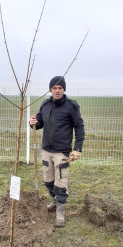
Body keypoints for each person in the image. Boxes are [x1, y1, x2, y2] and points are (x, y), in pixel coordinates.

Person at [30, 76, 85, 227]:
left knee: (60, 182)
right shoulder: (45, 105)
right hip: (47, 150)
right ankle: (54, 201)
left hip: (62, 152)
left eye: (60, 88)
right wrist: (33, 122)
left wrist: (77, 148)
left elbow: (79, 127)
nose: (57, 91)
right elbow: (40, 122)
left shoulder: (71, 106)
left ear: (64, 89)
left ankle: (60, 211)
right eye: (54, 88)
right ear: (50, 89)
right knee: (48, 180)